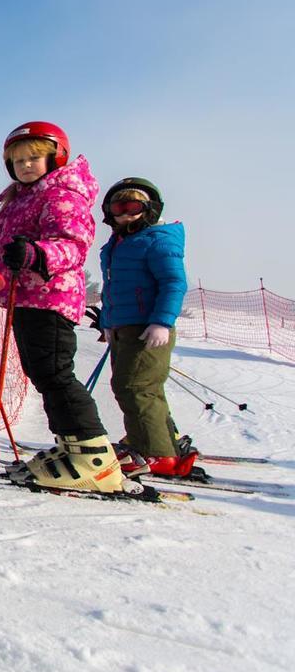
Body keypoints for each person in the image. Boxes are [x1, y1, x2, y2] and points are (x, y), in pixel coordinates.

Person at [0, 122, 131, 494]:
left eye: (34, 157)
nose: (25, 166)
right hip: (27, 298)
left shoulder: (62, 193)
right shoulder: (21, 197)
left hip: (50, 298)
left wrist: (37, 253)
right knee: (44, 373)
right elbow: (5, 258)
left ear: (56, 157)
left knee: (54, 373)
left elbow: (73, 245)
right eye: (17, 160)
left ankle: (93, 458)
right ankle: (73, 446)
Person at [96, 178, 194, 477]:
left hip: (147, 328)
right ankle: (164, 446)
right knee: (143, 388)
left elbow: (174, 283)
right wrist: (107, 323)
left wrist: (162, 322)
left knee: (134, 388)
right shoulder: (117, 244)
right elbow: (114, 288)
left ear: (149, 209)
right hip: (125, 327)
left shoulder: (157, 240)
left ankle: (155, 453)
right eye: (118, 208)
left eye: (133, 207)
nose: (125, 214)